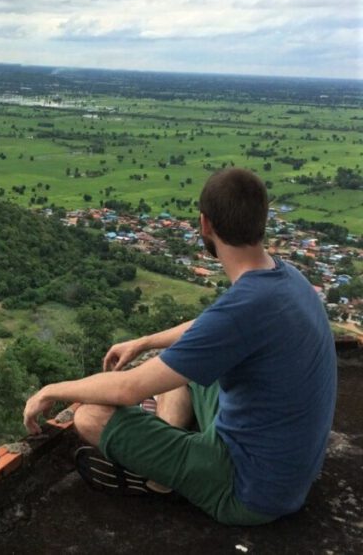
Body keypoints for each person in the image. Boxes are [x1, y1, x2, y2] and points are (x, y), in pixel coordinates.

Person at [22, 168, 337, 525]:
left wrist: (51, 390)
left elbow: (128, 388)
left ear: (205, 224)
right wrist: (145, 341)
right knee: (183, 369)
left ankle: (169, 476)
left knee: (90, 414)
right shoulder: (286, 277)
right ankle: (164, 467)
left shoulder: (247, 305)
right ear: (263, 219)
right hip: (287, 469)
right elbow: (211, 328)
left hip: (248, 492)